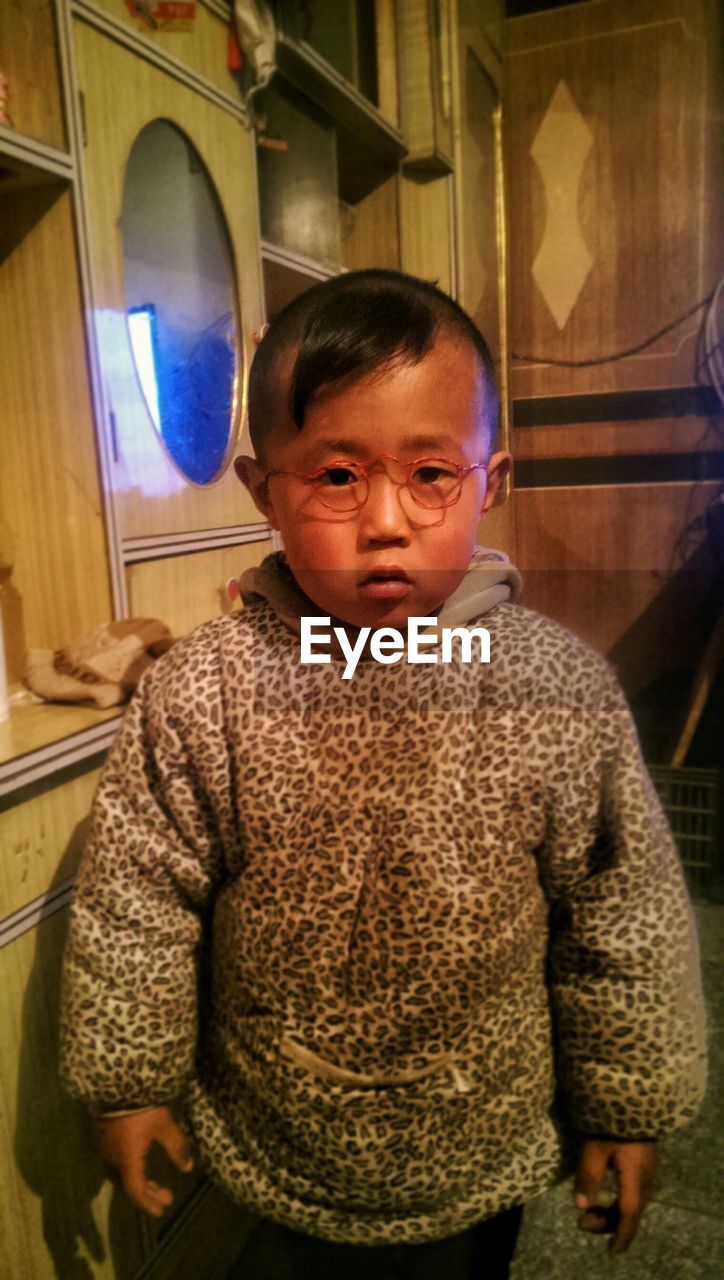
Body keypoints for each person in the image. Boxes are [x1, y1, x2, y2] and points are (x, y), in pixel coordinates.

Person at [60, 270, 706, 1279]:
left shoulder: (555, 687)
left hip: (477, 1130)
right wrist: (126, 1081)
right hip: (274, 1133)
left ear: (489, 481)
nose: (386, 520)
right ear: (262, 488)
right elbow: (136, 900)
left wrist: (626, 1102)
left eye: (430, 474)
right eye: (336, 475)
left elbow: (622, 910)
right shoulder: (205, 690)